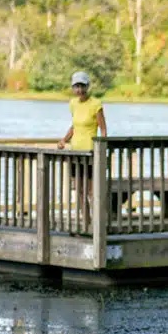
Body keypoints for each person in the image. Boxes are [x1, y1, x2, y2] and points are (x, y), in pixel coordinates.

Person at [57, 71, 108, 226]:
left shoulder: (95, 104)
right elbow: (74, 126)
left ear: (87, 86)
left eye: (82, 86)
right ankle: (86, 222)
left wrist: (102, 149)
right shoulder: (73, 104)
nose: (79, 90)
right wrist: (64, 140)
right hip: (76, 152)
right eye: (76, 86)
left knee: (92, 191)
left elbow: (103, 129)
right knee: (79, 191)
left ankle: (97, 223)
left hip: (91, 153)